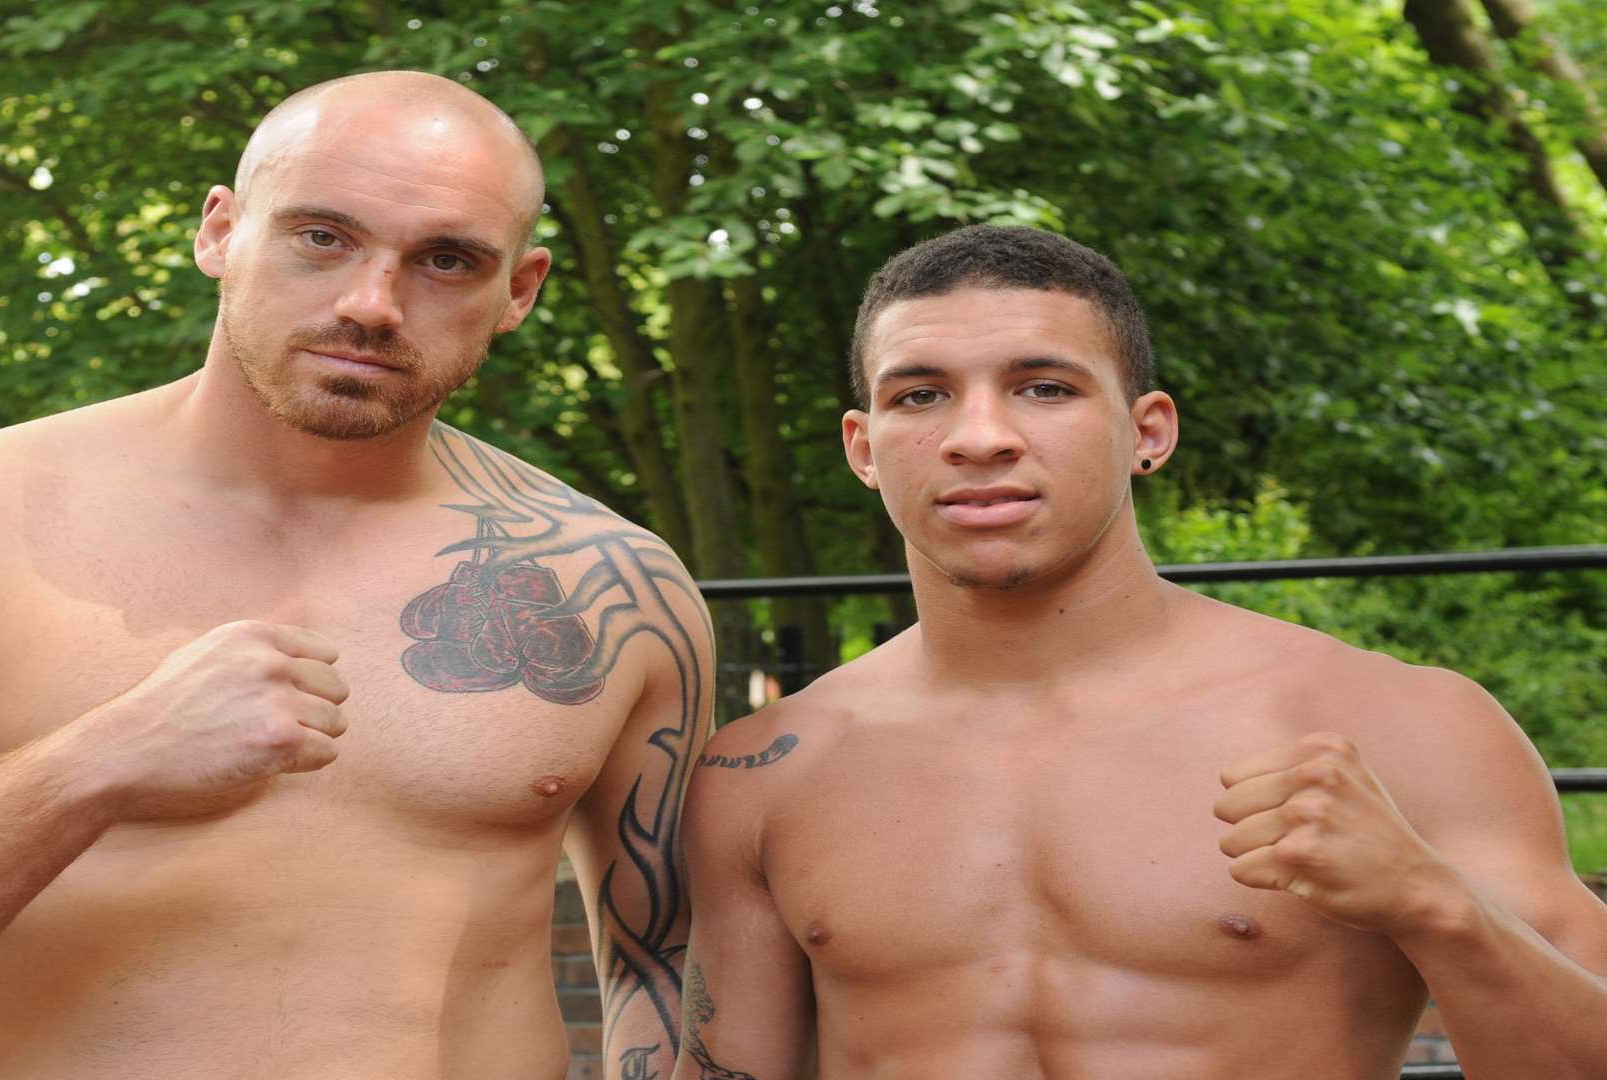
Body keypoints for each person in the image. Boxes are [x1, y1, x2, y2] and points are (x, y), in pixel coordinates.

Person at [0, 71, 711, 1080]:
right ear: (221, 231)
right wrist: (92, 764)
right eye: (321, 236)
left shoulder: (613, 590)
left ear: (519, 290)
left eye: (446, 260)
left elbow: (676, 969)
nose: (373, 303)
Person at [673, 225, 1607, 1079]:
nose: (980, 438)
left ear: (1147, 432)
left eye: (1045, 387)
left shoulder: (1397, 727)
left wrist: (1432, 904)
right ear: (865, 448)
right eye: (920, 396)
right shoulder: (767, 773)